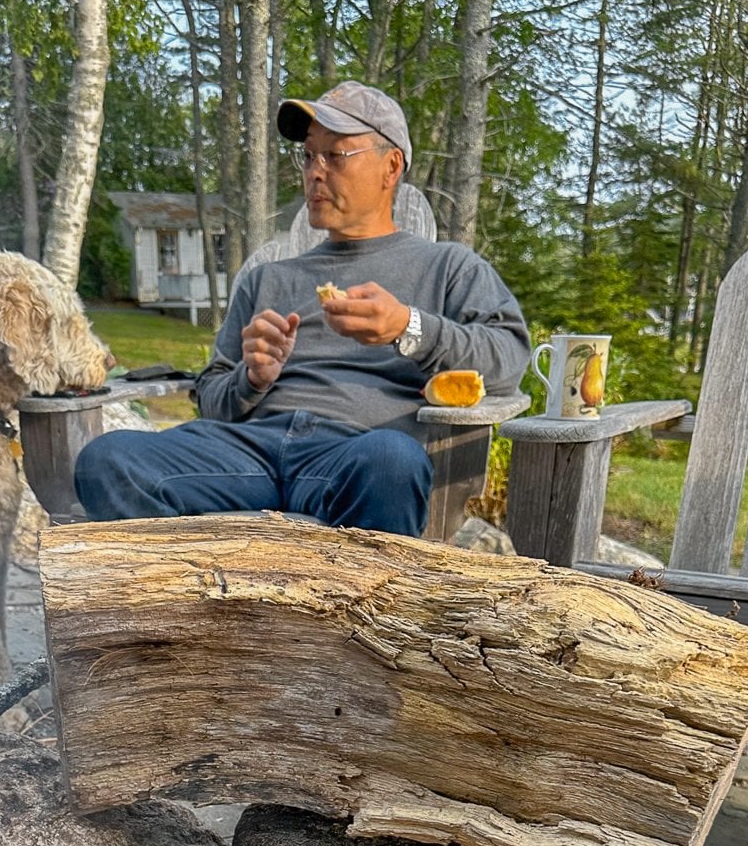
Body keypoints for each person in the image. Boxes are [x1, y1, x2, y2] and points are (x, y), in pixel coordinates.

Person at [76, 82, 531, 536]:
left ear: (391, 167)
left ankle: (348, 588)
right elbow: (211, 398)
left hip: (353, 455)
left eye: (336, 156)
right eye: (309, 156)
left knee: (393, 462)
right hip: (246, 454)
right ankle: (201, 584)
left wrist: (408, 327)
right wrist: (252, 378)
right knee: (107, 460)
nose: (315, 172)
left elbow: (509, 358)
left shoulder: (448, 267)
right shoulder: (268, 279)